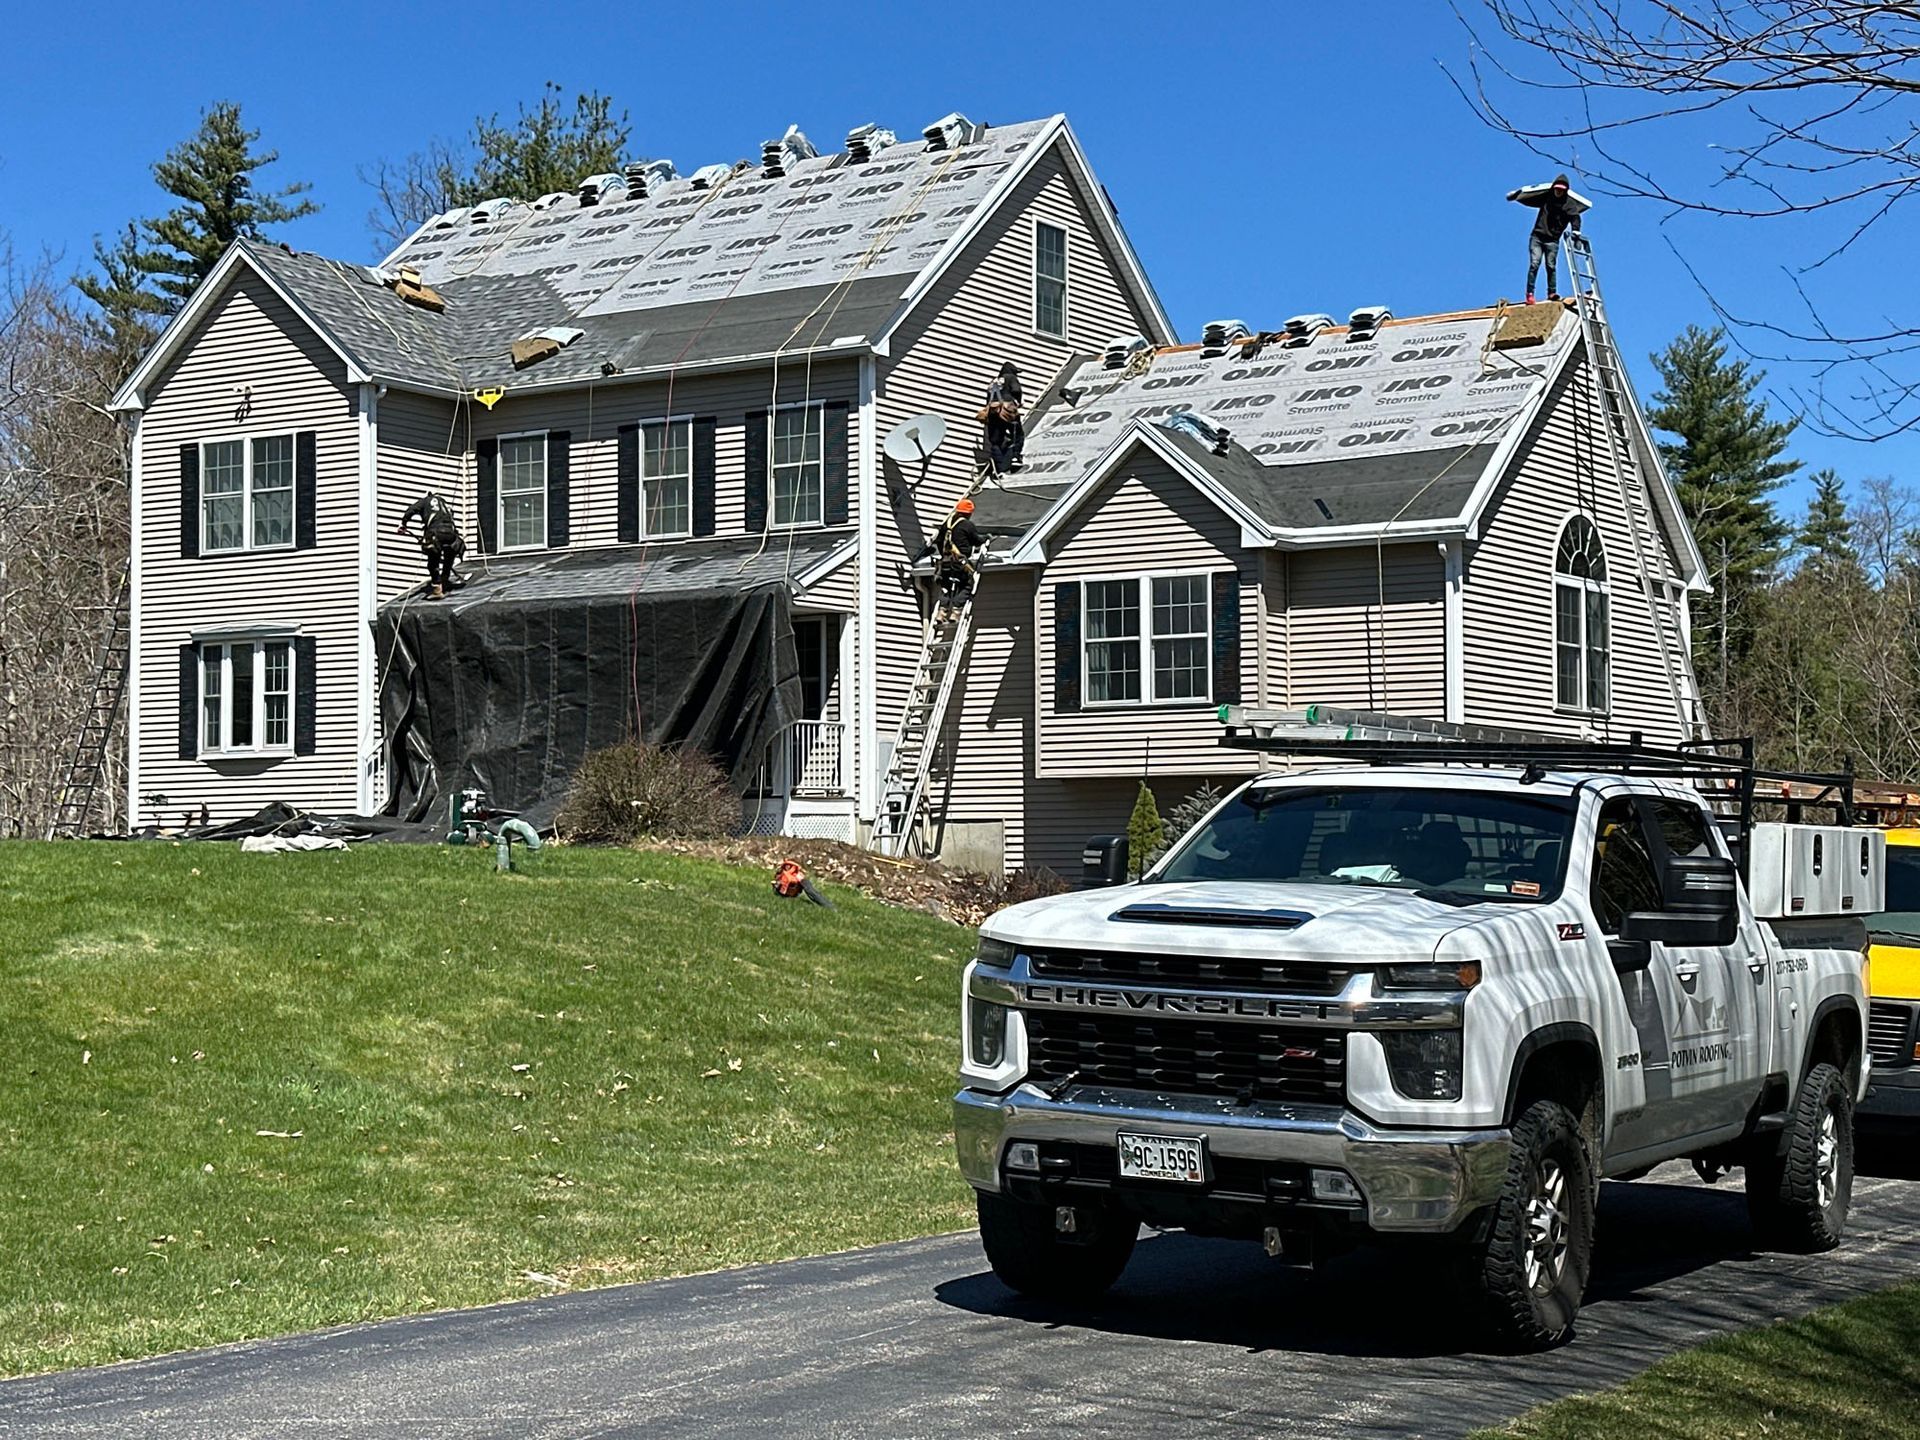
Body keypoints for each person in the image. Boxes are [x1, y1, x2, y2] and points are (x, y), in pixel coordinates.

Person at [1506, 174, 1583, 304]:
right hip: (1537, 237)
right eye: (1557, 189)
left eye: (1561, 190)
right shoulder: (1547, 197)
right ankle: (1530, 293)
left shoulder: (1569, 204)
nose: (1558, 192)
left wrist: (1576, 231)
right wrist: (1517, 196)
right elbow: (1531, 198)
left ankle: (1551, 292)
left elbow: (1575, 217)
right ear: (1553, 188)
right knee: (1534, 264)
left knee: (1550, 266)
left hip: (1552, 240)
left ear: (1565, 191)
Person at [917, 497, 984, 609]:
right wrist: (986, 538)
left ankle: (942, 611)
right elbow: (976, 541)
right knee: (967, 584)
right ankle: (957, 609)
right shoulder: (967, 525)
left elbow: (939, 541)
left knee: (946, 586)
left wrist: (945, 555)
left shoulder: (946, 525)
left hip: (945, 563)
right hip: (959, 563)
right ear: (968, 514)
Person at [398, 492, 466, 598]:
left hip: (436, 533)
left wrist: (403, 523)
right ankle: (445, 580)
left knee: (433, 561)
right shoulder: (445, 504)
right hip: (451, 534)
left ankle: (437, 590)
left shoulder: (425, 501)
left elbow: (411, 509)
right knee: (449, 555)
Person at [982, 361, 1025, 472]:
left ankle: (999, 468)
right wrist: (1018, 402)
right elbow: (1016, 390)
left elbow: (988, 399)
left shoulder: (993, 382)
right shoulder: (1010, 377)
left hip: (993, 411)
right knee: (1017, 433)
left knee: (996, 440)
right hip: (1007, 409)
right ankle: (1015, 456)